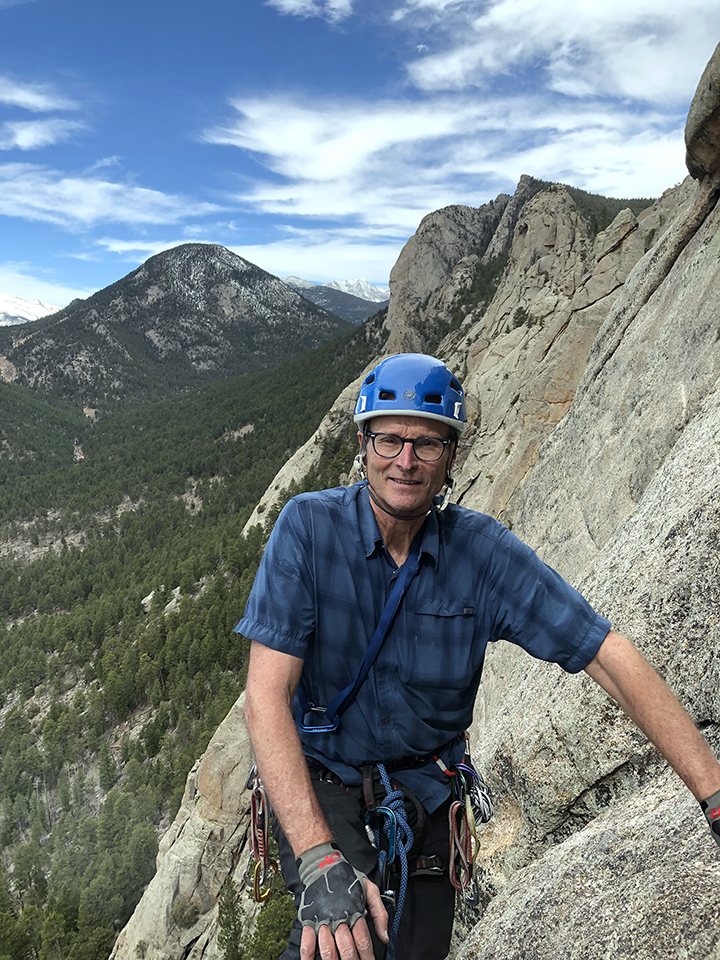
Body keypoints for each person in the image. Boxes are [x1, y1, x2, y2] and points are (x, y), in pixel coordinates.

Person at [237, 353, 720, 960]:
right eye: (390, 439)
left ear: (451, 457)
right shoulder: (307, 532)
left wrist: (713, 791)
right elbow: (266, 697)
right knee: (344, 937)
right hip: (327, 781)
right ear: (363, 443)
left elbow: (604, 653)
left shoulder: (481, 555)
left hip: (428, 795)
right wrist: (315, 855)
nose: (406, 462)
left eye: (428, 445)